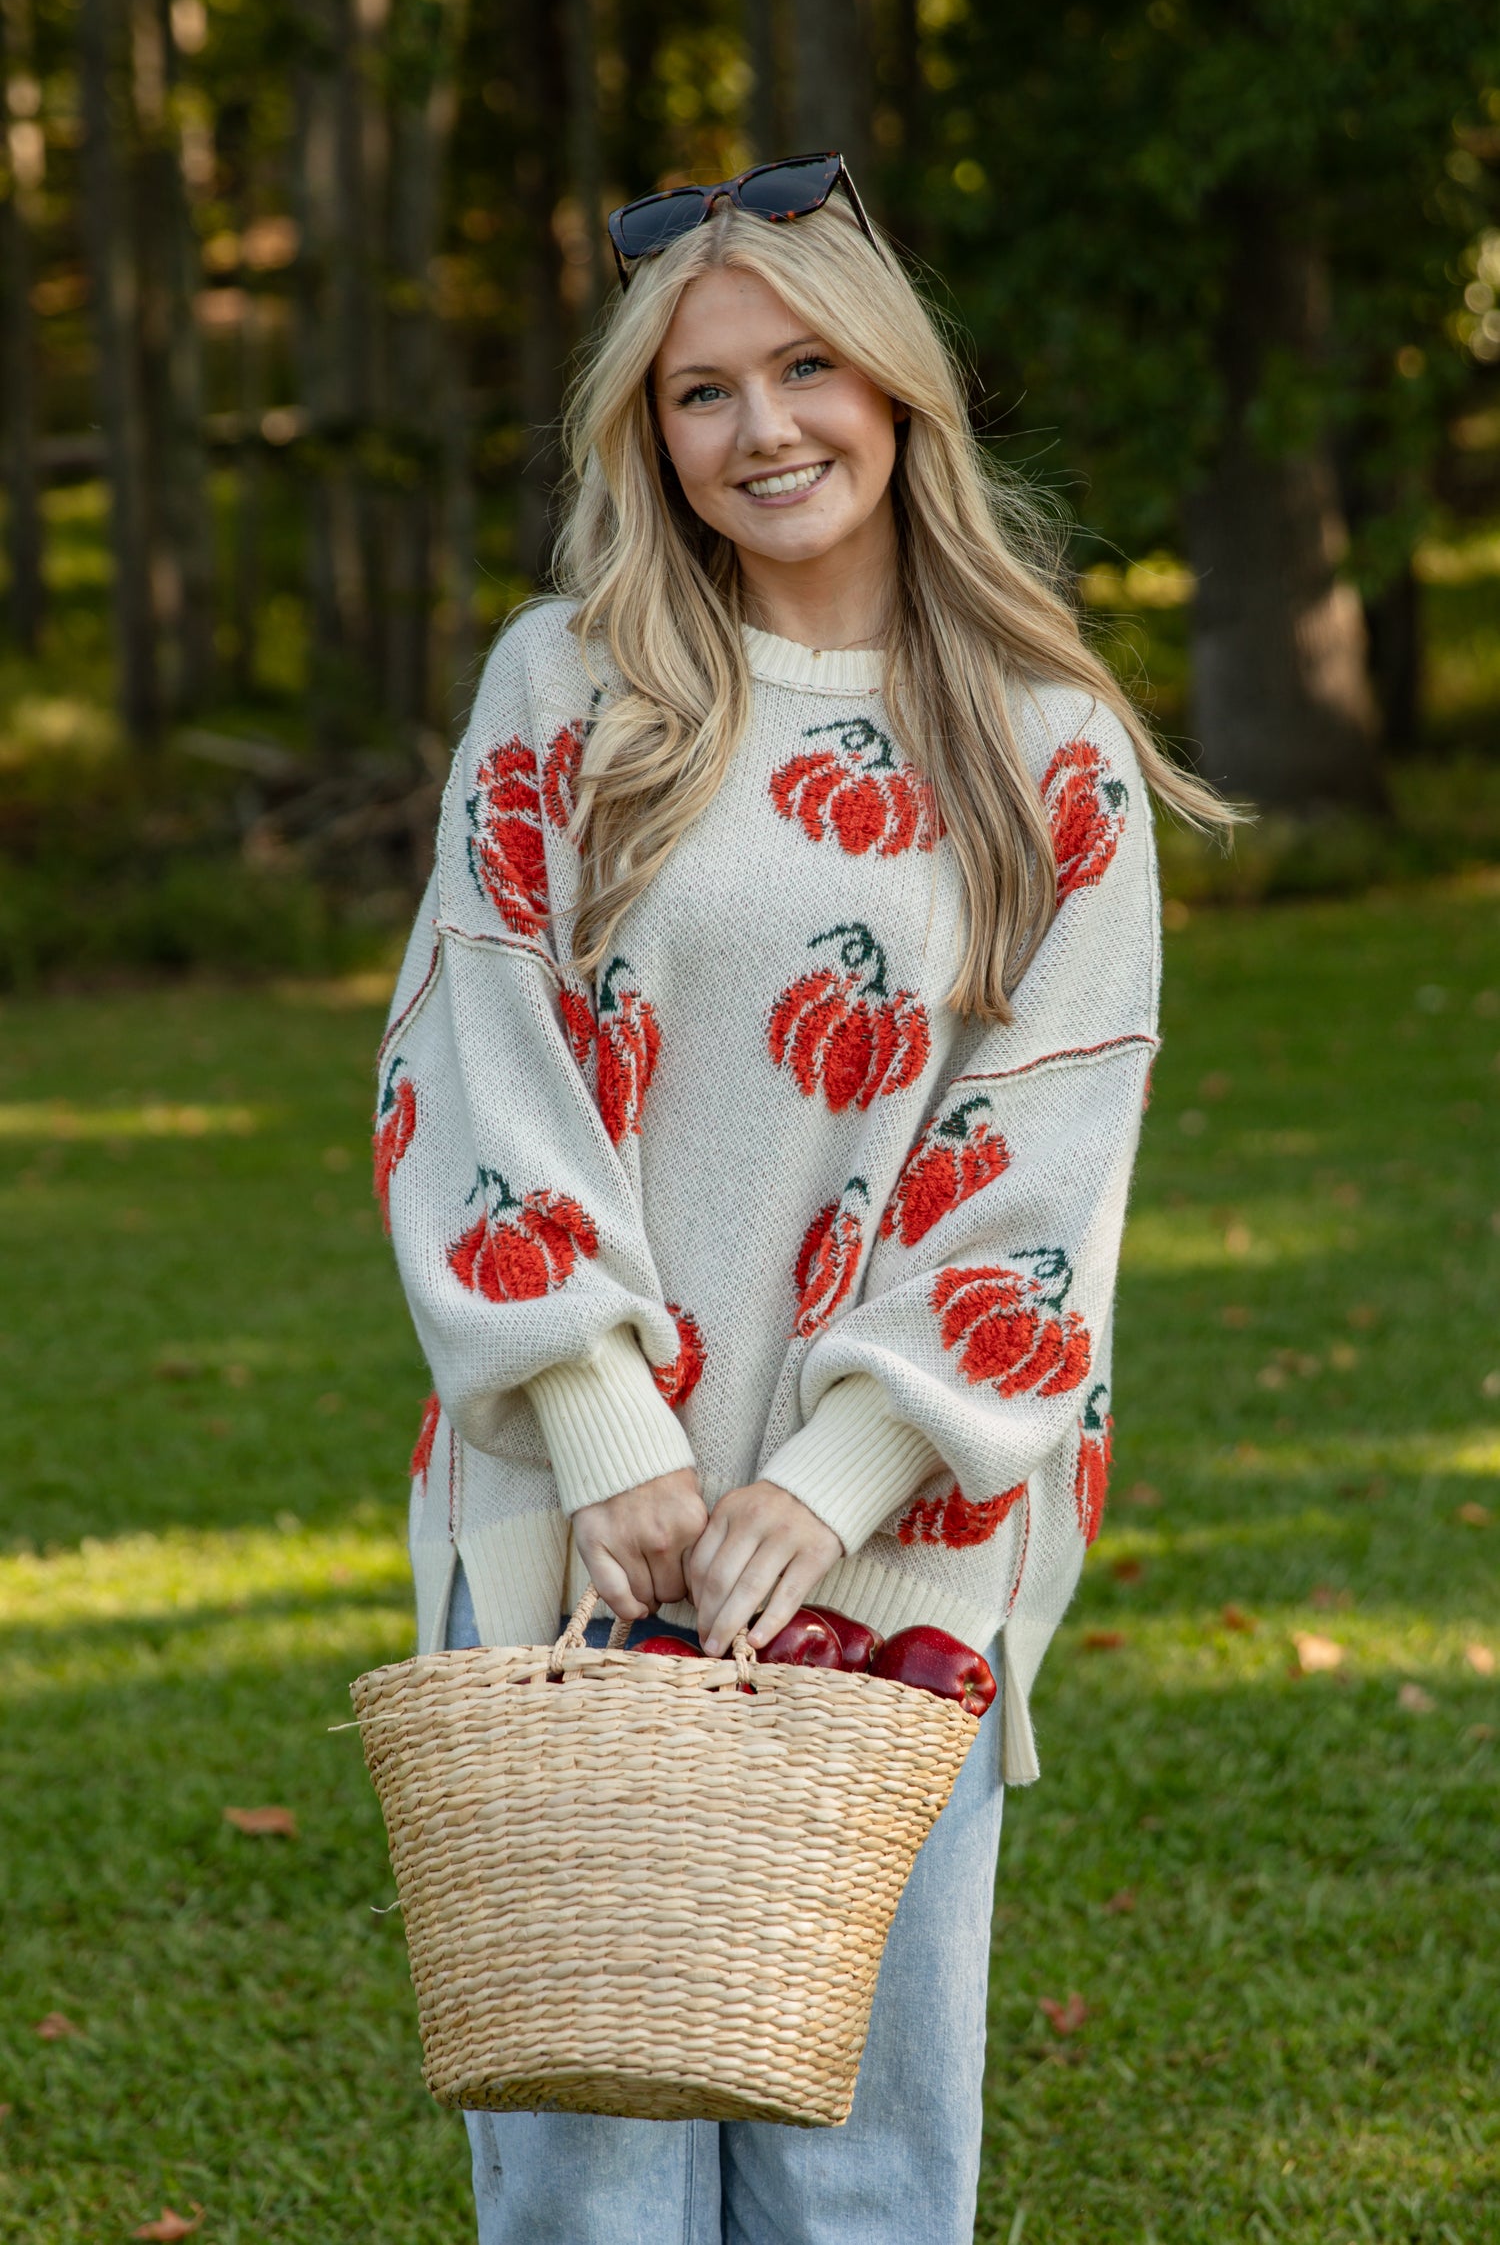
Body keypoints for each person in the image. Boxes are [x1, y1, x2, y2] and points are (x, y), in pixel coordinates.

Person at [376, 152, 1231, 2245]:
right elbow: (470, 1055)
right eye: (699, 394)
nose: (762, 429)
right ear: (643, 437)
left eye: (808, 369)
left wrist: (836, 1478)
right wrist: (604, 1428)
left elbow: (1045, 1157)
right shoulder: (566, 693)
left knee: (863, 2174)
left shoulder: (1049, 748)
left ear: (901, 390)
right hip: (578, 1510)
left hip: (906, 1531)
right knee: (589, 2184)